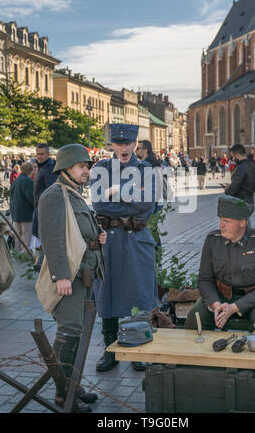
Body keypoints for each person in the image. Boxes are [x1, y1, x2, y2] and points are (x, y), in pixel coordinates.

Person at [38, 144, 106, 413]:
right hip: (70, 276)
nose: (87, 171)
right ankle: (62, 394)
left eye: (87, 166)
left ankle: (73, 385)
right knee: (69, 332)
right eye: (82, 166)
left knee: (78, 334)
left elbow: (78, 228)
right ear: (66, 168)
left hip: (85, 273)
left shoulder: (73, 194)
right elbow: (51, 240)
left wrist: (97, 235)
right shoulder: (54, 195)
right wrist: (60, 277)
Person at [91, 123, 157, 372]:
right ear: (112, 145)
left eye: (128, 143)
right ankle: (110, 351)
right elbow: (100, 206)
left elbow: (147, 204)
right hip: (108, 240)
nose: (124, 148)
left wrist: (117, 190)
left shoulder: (146, 168)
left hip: (136, 239)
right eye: (118, 144)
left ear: (134, 144)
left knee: (139, 294)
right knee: (107, 294)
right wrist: (131, 196)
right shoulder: (101, 168)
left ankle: (138, 348)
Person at [185, 195, 255, 332]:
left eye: (227, 221)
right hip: (221, 297)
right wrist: (216, 304)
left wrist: (234, 307)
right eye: (220, 220)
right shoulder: (212, 240)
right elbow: (205, 279)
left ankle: (253, 352)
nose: (221, 225)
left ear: (242, 222)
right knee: (195, 317)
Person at [223, 144, 255, 216]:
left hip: (241, 203)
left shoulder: (240, 168)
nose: (233, 159)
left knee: (238, 226)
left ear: (238, 156)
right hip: (250, 201)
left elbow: (233, 189)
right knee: (245, 225)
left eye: (233, 156)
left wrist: (226, 189)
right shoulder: (253, 166)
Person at [33, 143, 57, 238]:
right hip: (40, 207)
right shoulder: (42, 166)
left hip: (45, 210)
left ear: (48, 154)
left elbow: (51, 191)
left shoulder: (49, 167)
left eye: (42, 154)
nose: (39, 156)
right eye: (37, 154)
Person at [10, 162, 34, 253]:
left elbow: (11, 196)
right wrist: (36, 206)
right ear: (30, 170)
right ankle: (24, 254)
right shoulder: (28, 180)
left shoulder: (16, 180)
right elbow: (30, 197)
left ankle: (17, 252)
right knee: (26, 235)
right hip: (25, 212)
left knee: (18, 235)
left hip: (15, 211)